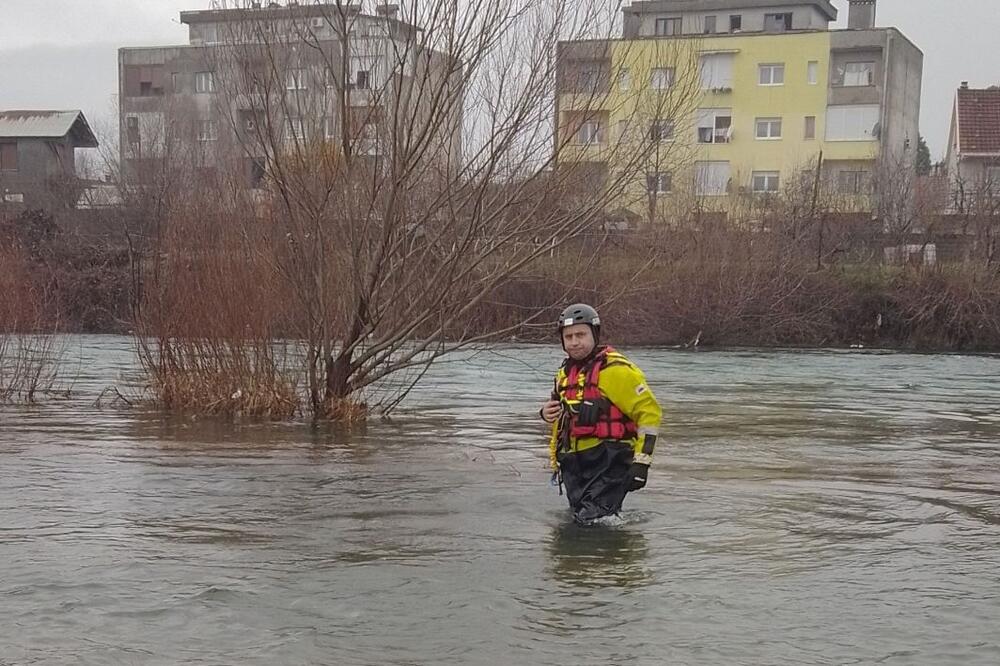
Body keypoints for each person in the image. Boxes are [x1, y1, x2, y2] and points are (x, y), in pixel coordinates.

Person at [540, 303, 662, 525]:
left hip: (610, 460)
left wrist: (642, 463)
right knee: (578, 523)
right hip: (574, 464)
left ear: (595, 334)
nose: (575, 342)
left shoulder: (617, 371)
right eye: (569, 337)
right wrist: (545, 413)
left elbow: (650, 414)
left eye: (581, 334)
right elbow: (561, 418)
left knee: (591, 526)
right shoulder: (565, 373)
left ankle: (611, 557)